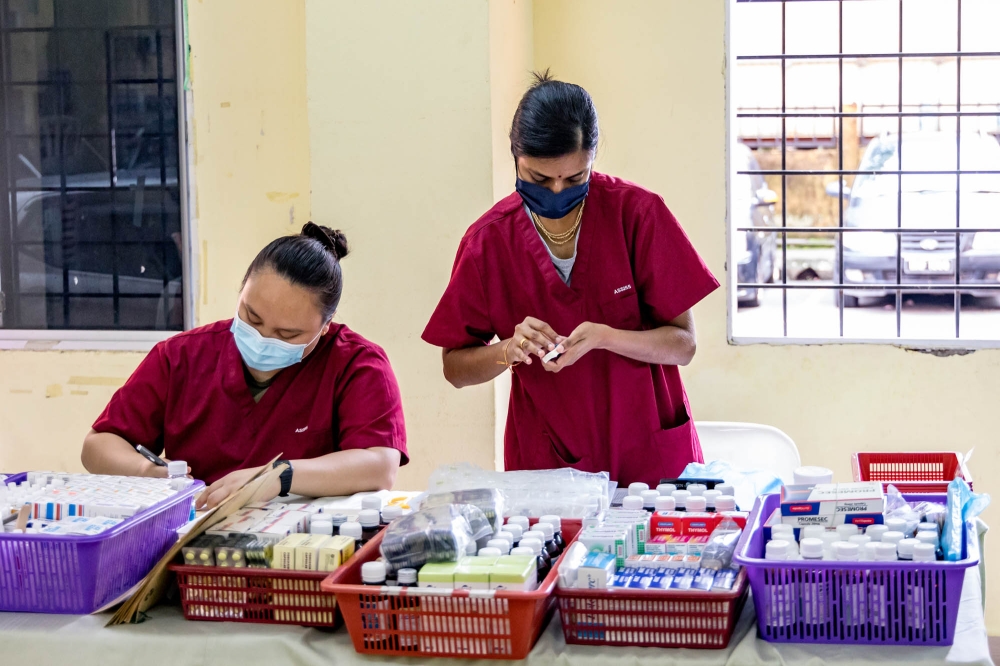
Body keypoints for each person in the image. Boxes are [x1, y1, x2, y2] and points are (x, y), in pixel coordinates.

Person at [422, 72, 718, 486]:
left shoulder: (637, 215)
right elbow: (455, 368)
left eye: (575, 177)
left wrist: (606, 337)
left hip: (649, 453)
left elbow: (683, 345)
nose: (558, 190)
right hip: (549, 458)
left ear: (592, 158)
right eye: (540, 179)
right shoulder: (488, 242)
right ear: (515, 157)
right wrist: (509, 349)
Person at [82, 223, 407, 508]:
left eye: (287, 334)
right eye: (252, 317)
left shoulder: (356, 364)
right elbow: (99, 444)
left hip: (305, 556)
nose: (263, 338)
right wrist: (145, 471)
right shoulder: (182, 356)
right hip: (194, 552)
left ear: (325, 325)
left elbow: (380, 464)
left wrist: (279, 476)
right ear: (241, 290)